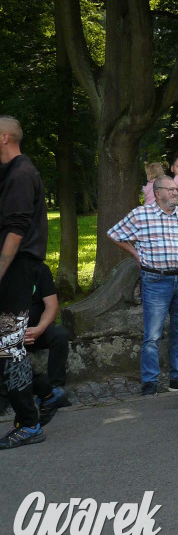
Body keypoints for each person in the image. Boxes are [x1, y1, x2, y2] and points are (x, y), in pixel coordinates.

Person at [107, 174, 178, 395]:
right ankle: (150, 380)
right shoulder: (141, 215)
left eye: (177, 190)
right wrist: (134, 253)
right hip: (155, 279)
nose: (175, 193)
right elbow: (114, 234)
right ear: (158, 192)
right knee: (152, 334)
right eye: (171, 190)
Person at [0, 116, 49, 449]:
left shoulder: (21, 174)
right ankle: (47, 394)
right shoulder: (12, 172)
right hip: (12, 270)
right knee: (7, 346)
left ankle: (30, 424)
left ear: (4, 138)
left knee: (8, 346)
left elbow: (16, 230)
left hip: (16, 269)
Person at [25, 261, 69, 425]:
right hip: (9, 331)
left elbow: (52, 306)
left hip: (37, 329)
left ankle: (55, 390)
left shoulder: (39, 269)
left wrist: (39, 329)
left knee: (59, 335)